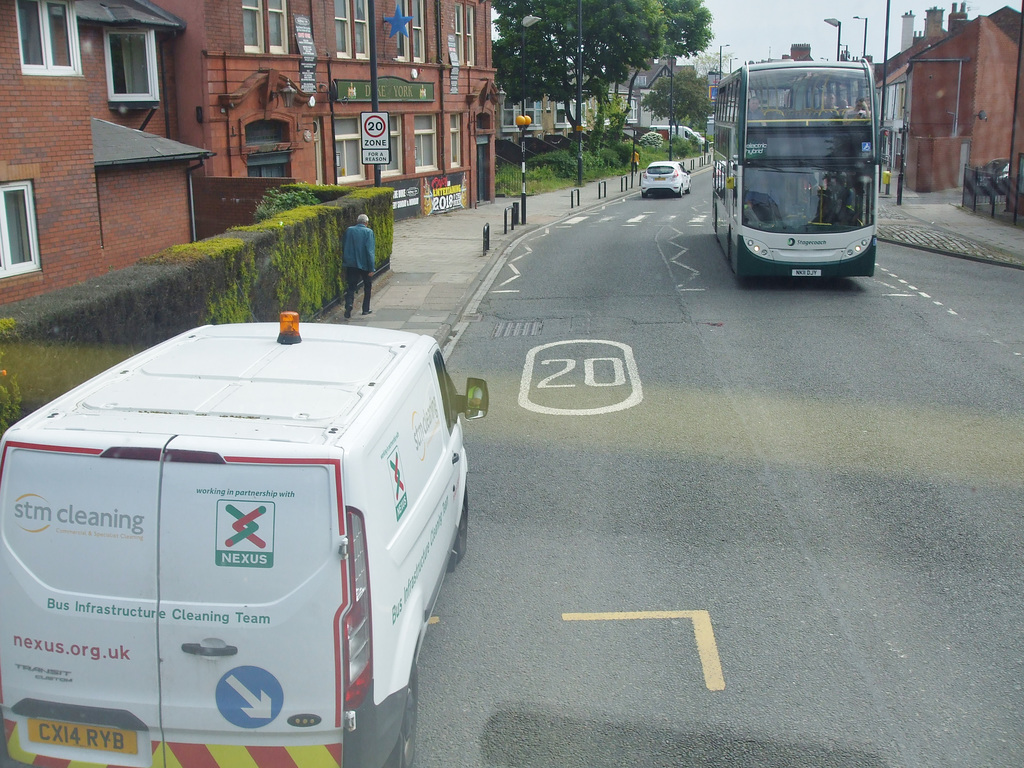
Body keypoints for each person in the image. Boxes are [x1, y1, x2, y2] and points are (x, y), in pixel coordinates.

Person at [342, 213, 376, 318]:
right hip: (364, 264)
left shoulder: (349, 230)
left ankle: (349, 304)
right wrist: (371, 268)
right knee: (367, 286)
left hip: (351, 264)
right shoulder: (368, 232)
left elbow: (344, 245)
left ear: (357, 221)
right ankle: (366, 309)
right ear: (366, 222)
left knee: (351, 286)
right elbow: (370, 251)